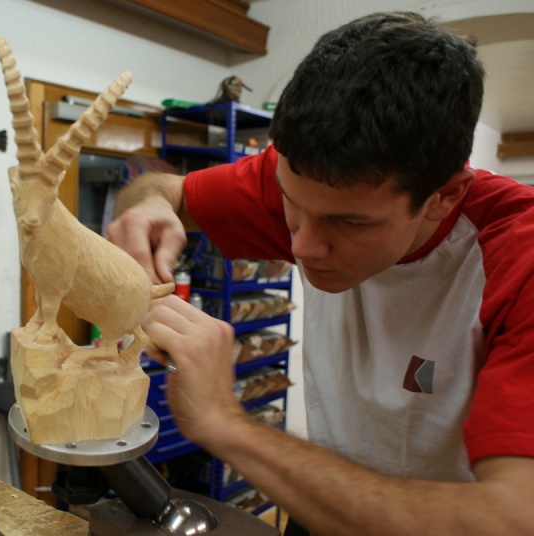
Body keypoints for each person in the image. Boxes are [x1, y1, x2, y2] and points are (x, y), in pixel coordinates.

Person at [106, 11, 534, 536]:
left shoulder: (518, 257)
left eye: (349, 222)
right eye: (292, 203)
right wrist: (144, 209)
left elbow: (513, 518)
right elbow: (160, 190)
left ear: (443, 197)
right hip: (317, 507)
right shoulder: (309, 182)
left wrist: (227, 424)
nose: (302, 246)